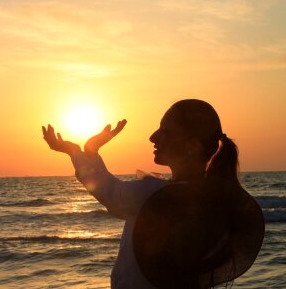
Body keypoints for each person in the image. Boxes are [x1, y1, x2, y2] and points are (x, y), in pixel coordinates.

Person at [42, 99, 264, 289]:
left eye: (165, 131)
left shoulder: (161, 194)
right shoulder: (205, 196)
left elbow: (112, 194)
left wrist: (79, 152)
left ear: (192, 146)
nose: (153, 137)